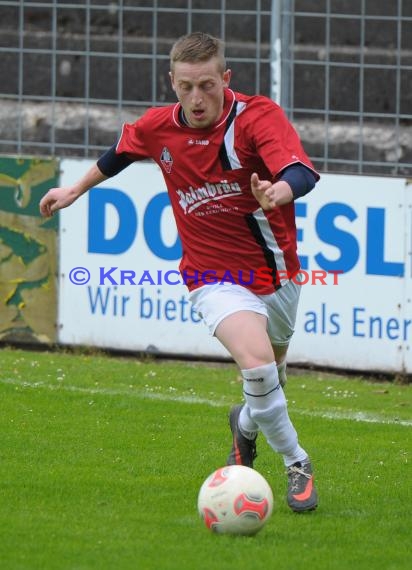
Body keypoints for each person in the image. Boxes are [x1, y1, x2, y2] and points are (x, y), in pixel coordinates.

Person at [40, 31, 319, 512]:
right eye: (186, 86)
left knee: (270, 378)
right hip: (211, 277)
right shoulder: (159, 126)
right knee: (256, 365)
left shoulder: (255, 118)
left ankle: (245, 425)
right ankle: (297, 463)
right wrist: (75, 191)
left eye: (207, 85)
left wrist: (279, 193)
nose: (196, 98)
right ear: (171, 82)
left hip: (277, 276)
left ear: (225, 79)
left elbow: (302, 171)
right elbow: (120, 154)